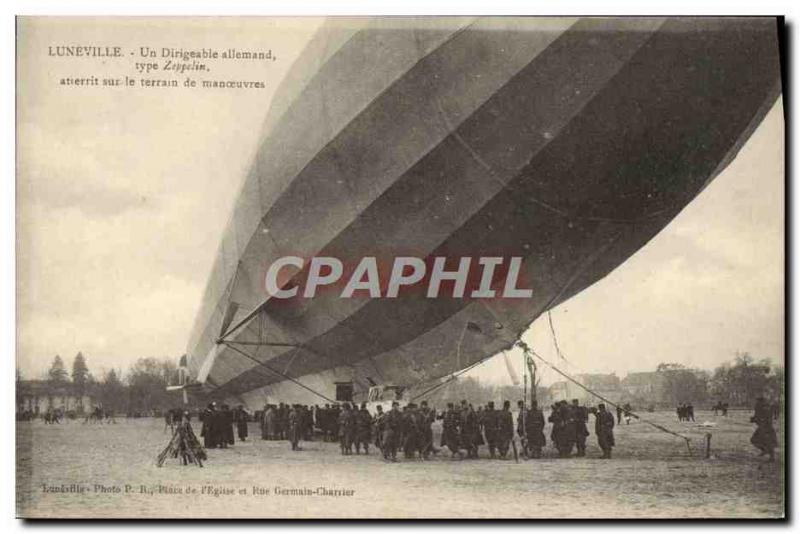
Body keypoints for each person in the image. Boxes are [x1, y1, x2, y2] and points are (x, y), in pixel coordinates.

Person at [750, 397, 777, 462]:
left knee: (756, 440)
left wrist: (755, 419)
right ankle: (767, 452)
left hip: (764, 427)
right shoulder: (767, 407)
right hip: (767, 427)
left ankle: (768, 453)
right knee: (766, 441)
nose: (756, 402)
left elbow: (762, 417)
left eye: (758, 401)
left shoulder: (761, 407)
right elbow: (761, 417)